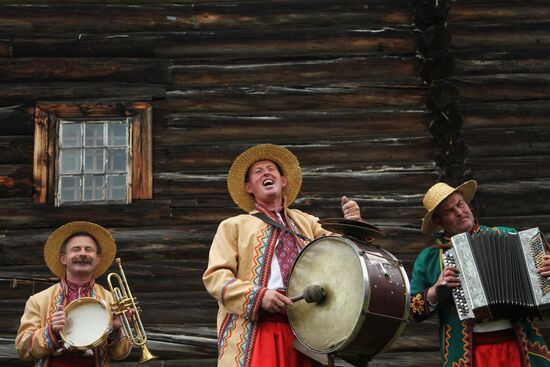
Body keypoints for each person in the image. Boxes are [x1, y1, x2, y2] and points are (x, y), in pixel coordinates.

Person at [203, 144, 362, 367]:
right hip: (257, 329)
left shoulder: (308, 222)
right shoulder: (233, 226)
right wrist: (259, 296)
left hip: (308, 329)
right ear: (249, 187)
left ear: (283, 181)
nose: (266, 172)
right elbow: (216, 277)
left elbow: (341, 250)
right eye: (258, 171)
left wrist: (353, 225)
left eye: (271, 169)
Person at [409, 180, 550, 367]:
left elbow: (543, 277)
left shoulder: (507, 236)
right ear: (438, 221)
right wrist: (434, 291)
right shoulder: (429, 258)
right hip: (468, 356)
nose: (459, 212)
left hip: (520, 347)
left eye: (460, 204)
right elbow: (412, 311)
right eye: (449, 211)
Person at [16, 221, 132, 367]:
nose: (83, 253)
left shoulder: (112, 299)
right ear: (63, 258)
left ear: (98, 259)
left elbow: (121, 354)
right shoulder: (38, 300)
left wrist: (114, 329)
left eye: (88, 249)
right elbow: (22, 349)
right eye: (76, 249)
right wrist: (52, 331)